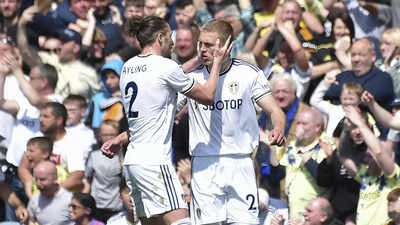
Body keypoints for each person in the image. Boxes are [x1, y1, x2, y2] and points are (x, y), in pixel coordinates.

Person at [101, 16, 231, 225]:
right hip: (155, 162)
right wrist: (216, 61)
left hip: (133, 162)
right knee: (182, 221)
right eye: (170, 36)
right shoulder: (165, 66)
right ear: (160, 38)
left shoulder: (128, 67)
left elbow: (152, 113)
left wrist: (120, 138)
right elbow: (207, 96)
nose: (173, 41)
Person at [178, 19, 285, 225]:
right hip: (204, 163)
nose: (202, 50)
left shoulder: (248, 73)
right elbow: (168, 101)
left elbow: (274, 109)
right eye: (200, 43)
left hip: (241, 162)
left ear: (228, 45)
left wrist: (278, 128)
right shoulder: (191, 75)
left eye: (209, 45)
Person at [339, 105, 400, 225]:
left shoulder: (393, 176)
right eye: (366, 156)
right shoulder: (365, 176)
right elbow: (342, 154)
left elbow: (378, 151)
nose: (366, 160)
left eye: (370, 157)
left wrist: (360, 123)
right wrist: (348, 128)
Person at [274, 109, 334, 220]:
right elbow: (279, 172)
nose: (299, 127)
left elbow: (324, 178)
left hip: (315, 216)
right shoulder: (293, 145)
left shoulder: (327, 145)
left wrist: (302, 152)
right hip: (294, 213)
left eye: (304, 124)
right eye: (298, 123)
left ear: (317, 127)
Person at [83, 120, 123, 222]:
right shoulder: (94, 156)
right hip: (97, 206)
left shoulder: (123, 156)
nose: (108, 138)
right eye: (105, 135)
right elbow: (88, 181)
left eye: (112, 135)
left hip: (117, 207)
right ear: (100, 136)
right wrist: (83, 202)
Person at [27, 160, 73, 225]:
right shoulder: (35, 201)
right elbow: (30, 220)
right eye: (36, 179)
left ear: (55, 178)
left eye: (42, 179)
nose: (38, 183)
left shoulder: (69, 200)